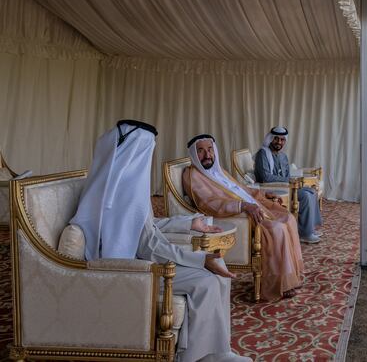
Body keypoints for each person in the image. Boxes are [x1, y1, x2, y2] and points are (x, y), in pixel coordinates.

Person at [70, 120, 249, 362]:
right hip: (126, 273)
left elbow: (143, 227)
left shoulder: (111, 185)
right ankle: (197, 357)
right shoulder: (125, 192)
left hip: (138, 264)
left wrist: (188, 224)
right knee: (206, 282)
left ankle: (218, 351)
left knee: (218, 272)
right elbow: (148, 244)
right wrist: (201, 259)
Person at [183, 134, 304, 303]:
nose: (207, 155)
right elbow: (208, 203)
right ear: (194, 154)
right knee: (277, 229)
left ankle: (291, 275)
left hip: (254, 206)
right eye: (201, 151)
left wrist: (262, 194)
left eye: (210, 150)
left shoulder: (218, 170)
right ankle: (279, 282)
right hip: (238, 214)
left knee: (289, 218)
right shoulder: (192, 175)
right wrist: (242, 206)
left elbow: (240, 188)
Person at [254, 126, 323, 244]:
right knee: (305, 196)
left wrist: (292, 180)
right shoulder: (263, 154)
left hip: (286, 186)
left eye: (282, 140)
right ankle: (304, 234)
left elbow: (287, 175)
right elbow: (265, 177)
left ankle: (310, 228)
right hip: (272, 188)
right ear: (270, 139)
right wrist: (288, 181)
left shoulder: (283, 156)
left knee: (311, 191)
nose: (279, 142)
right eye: (276, 139)